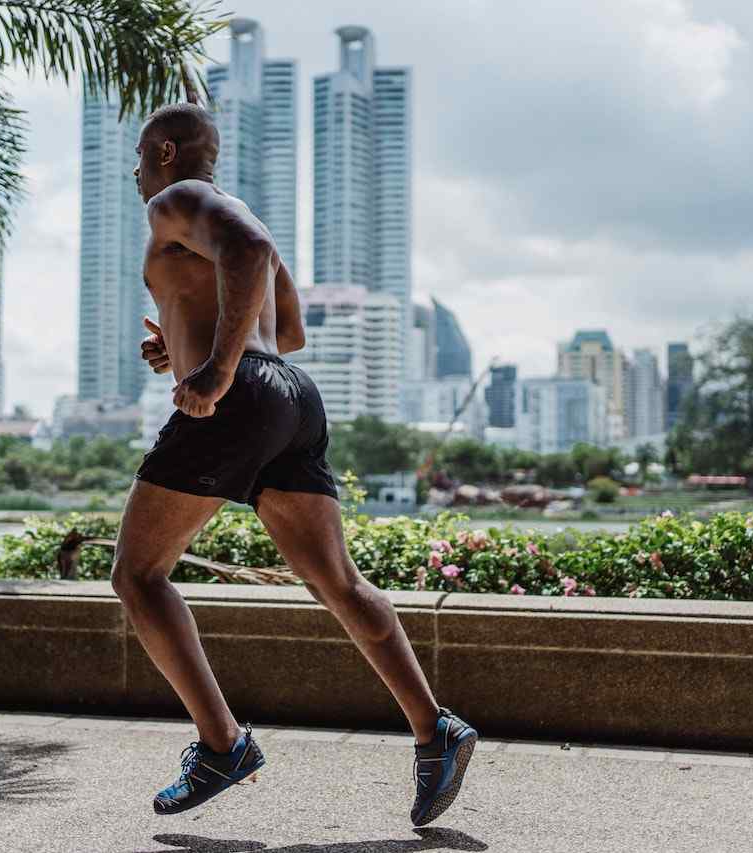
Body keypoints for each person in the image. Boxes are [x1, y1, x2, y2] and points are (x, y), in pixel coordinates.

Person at [111, 102, 478, 827]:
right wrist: (185, 349)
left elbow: (243, 255)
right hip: (292, 398)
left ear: (167, 151)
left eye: (139, 154)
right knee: (338, 582)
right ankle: (435, 727)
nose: (132, 170)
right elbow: (293, 330)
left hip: (241, 395)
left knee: (137, 573)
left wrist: (213, 369)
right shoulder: (235, 210)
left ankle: (222, 743)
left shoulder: (176, 200)